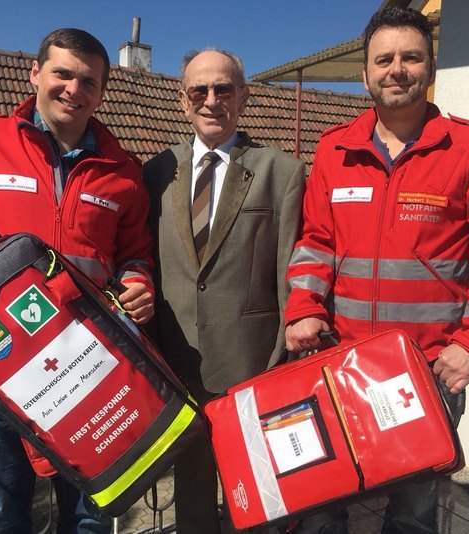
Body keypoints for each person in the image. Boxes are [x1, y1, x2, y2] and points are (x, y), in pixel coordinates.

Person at [284, 7, 469, 534]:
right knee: (321, 507)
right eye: (384, 59)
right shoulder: (334, 150)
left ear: (430, 66)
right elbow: (314, 245)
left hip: (427, 373)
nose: (397, 68)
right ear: (365, 73)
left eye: (411, 57)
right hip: (339, 366)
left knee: (412, 517)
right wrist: (303, 309)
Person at [0, 28, 154, 533]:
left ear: (102, 92)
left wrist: (138, 283)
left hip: (87, 370)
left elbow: (136, 254)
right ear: (36, 74)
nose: (73, 89)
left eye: (88, 81)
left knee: (92, 515)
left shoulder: (123, 172)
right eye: (62, 73)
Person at [143, 49, 306, 533]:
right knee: (191, 495)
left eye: (224, 88)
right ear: (183, 100)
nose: (211, 100)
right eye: (200, 90)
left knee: (257, 494)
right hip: (176, 363)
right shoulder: (154, 173)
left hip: (252, 364)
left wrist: (282, 362)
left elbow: (290, 274)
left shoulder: (282, 172)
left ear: (244, 96)